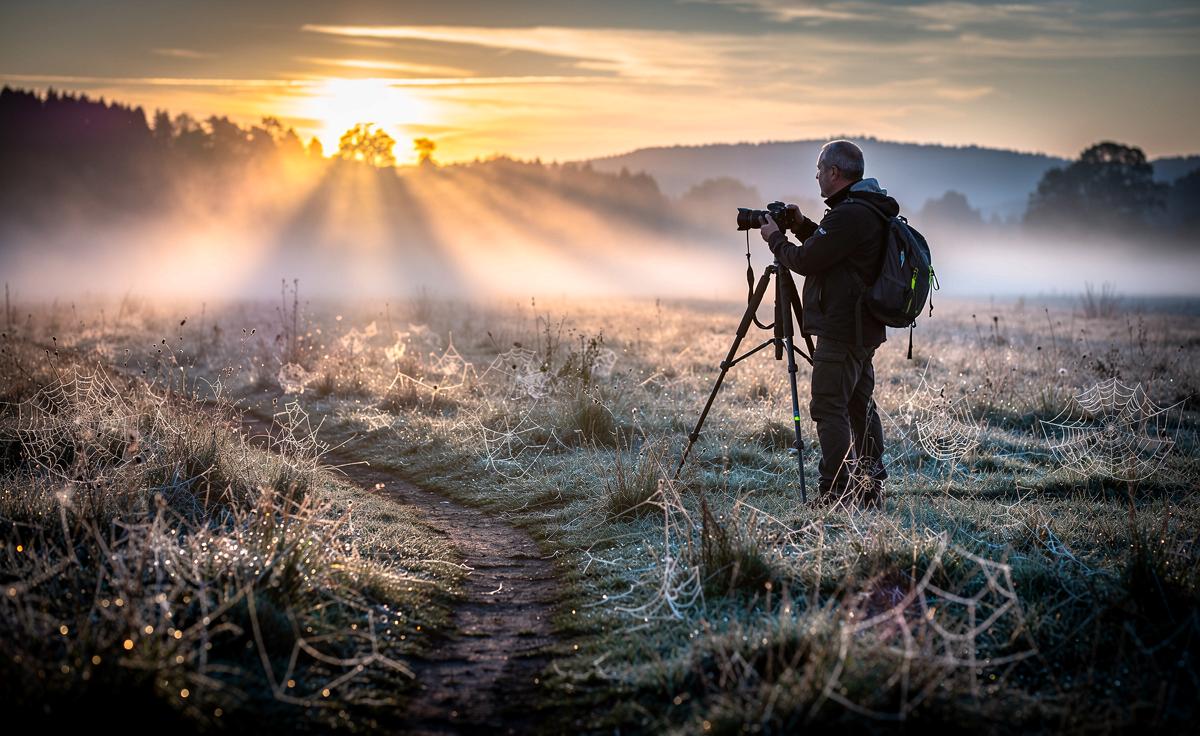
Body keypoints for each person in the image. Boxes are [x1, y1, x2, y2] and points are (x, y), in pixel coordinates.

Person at [757, 139, 893, 508]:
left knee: (829, 406)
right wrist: (802, 226)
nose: (816, 175)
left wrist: (775, 240)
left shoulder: (850, 214)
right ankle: (868, 488)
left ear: (834, 172)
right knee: (859, 405)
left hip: (843, 327)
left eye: (819, 169)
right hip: (863, 327)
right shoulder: (866, 209)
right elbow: (831, 251)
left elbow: (807, 261)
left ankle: (836, 492)